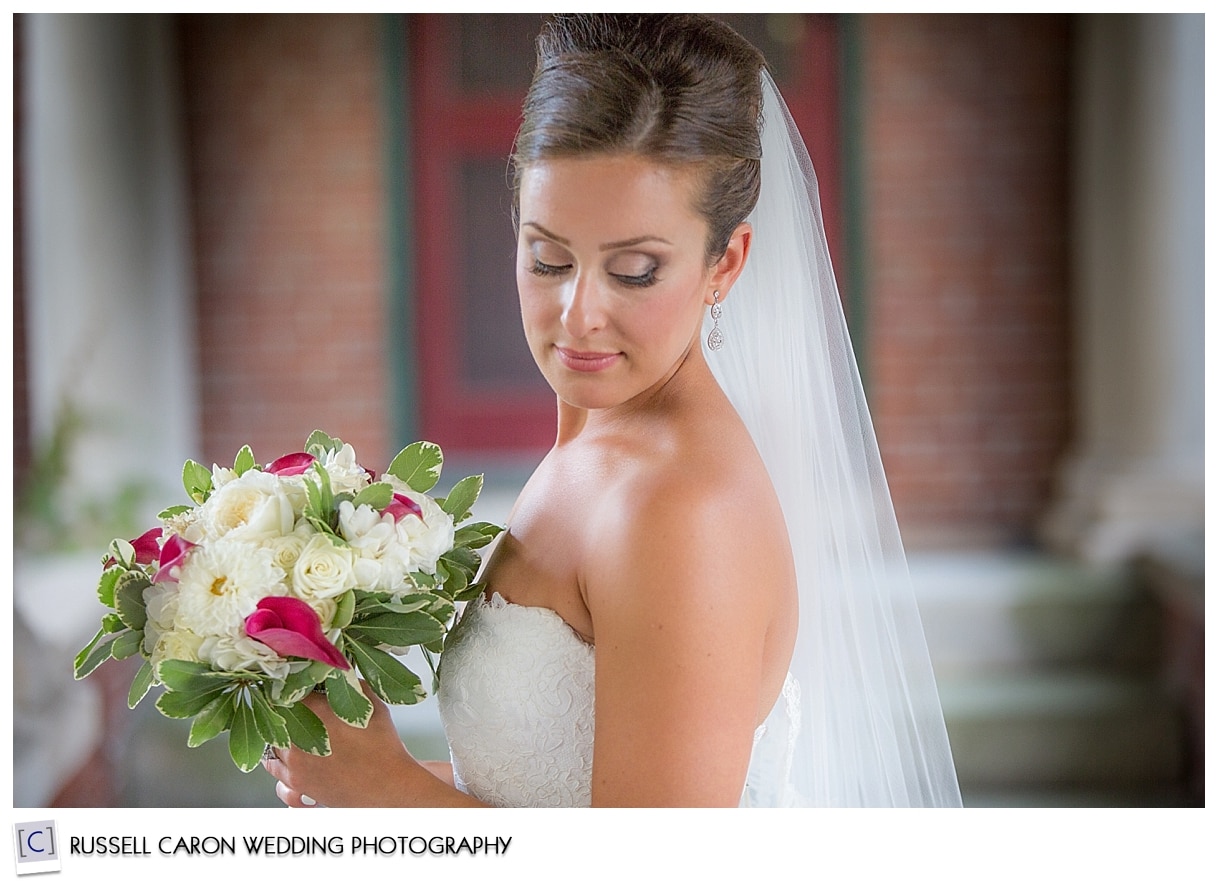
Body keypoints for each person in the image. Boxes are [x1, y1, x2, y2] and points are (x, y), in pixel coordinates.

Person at [263, 13, 960, 808]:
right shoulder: (594, 440)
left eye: (633, 270)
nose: (578, 313)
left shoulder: (680, 509)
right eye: (548, 258)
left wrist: (384, 791)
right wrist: (355, 779)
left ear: (723, 264)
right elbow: (540, 787)